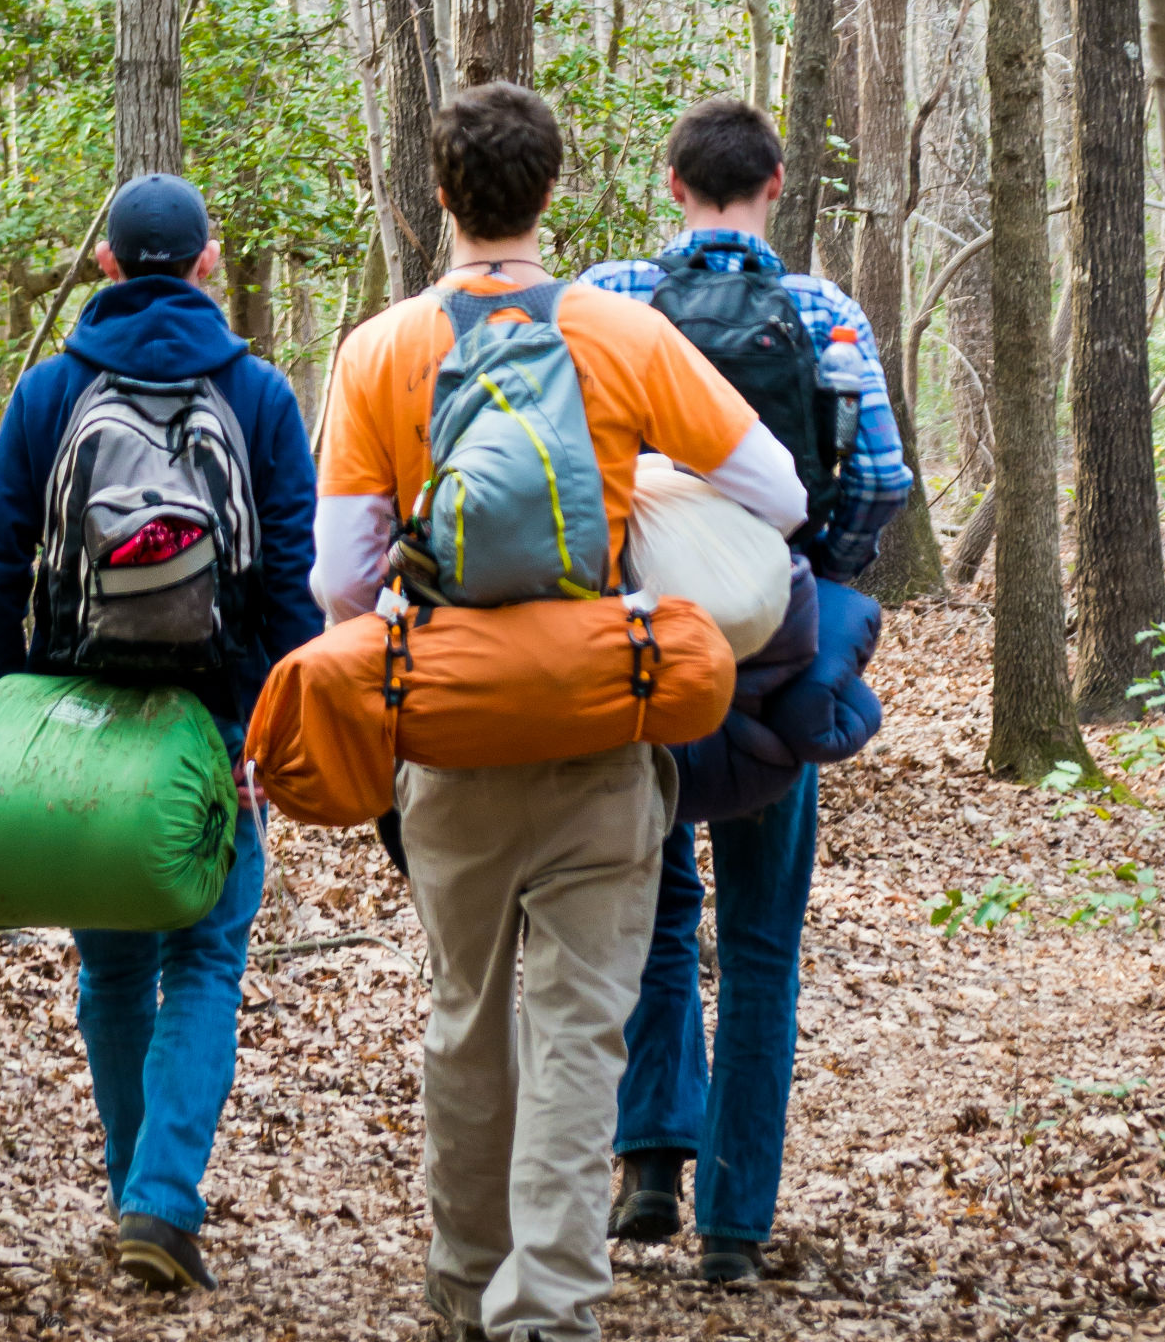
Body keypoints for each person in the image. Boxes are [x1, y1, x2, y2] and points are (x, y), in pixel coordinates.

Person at [311, 83, 807, 1342]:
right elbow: (782, 493)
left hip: (453, 726)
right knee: (581, 1021)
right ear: (553, 192)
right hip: (602, 722)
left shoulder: (378, 351)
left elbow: (336, 579)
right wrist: (641, 486)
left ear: (440, 197)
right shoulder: (621, 335)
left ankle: (465, 1280)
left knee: (466, 1010)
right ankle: (551, 1306)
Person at [0, 172, 321, 1291]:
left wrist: (7, 711)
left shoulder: (51, 393)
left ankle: (138, 1197)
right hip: (213, 716)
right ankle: (160, 1201)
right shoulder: (258, 394)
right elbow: (295, 588)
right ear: (208, 260)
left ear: (107, 264)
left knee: (111, 968)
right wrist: (262, 728)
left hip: (82, 714)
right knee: (206, 956)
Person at [578, 97, 912, 1282]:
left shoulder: (608, 297)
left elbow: (568, 461)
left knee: (655, 908)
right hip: (775, 649)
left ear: (672, 182)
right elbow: (877, 477)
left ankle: (650, 1160)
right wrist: (817, 567)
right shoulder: (825, 312)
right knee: (762, 940)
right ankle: (733, 1222)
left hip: (639, 650)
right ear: (775, 183)